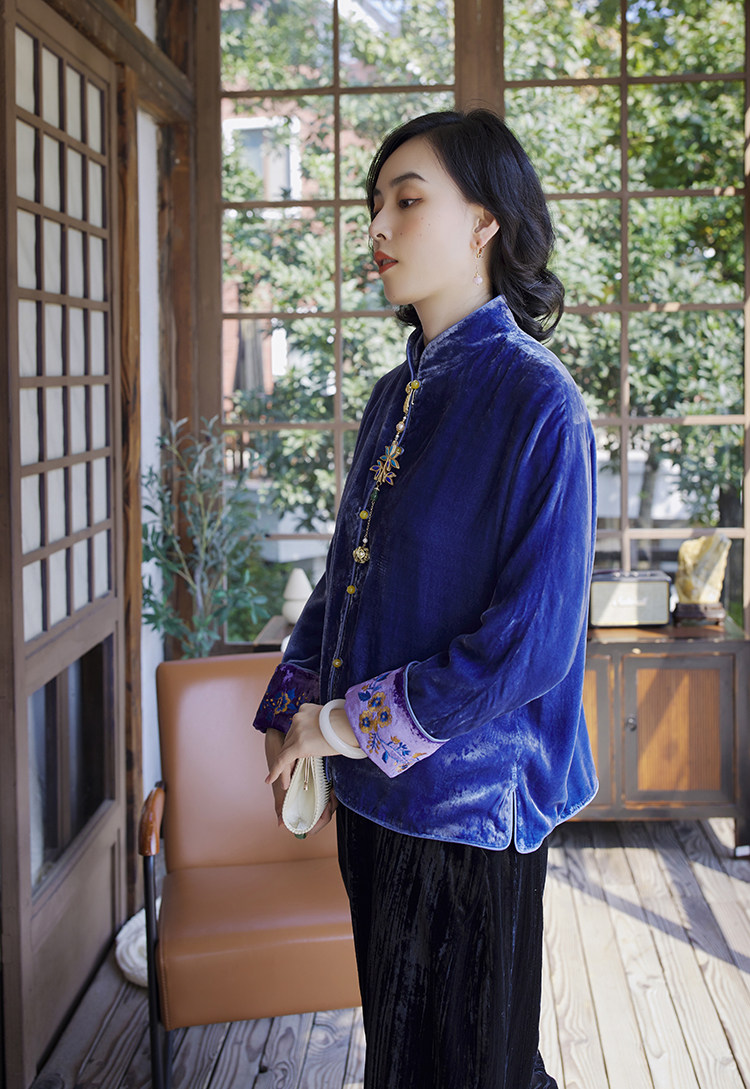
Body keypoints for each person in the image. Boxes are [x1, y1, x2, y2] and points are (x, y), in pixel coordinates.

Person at [254, 108, 598, 1089]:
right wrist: (291, 714)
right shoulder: (391, 397)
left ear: (486, 222)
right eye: (377, 204)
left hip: (469, 815)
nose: (380, 225)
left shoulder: (539, 402)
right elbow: (343, 581)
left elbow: (529, 647)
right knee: (400, 1062)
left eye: (408, 201)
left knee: (475, 1068)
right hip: (372, 802)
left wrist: (340, 724)